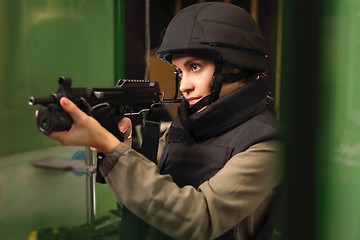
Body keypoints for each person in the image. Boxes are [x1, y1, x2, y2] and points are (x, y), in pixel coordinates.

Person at [42, 2, 282, 239]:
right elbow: (149, 204)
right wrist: (121, 148)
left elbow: (199, 220)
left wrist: (111, 149)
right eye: (179, 72)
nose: (184, 86)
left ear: (234, 66)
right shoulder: (185, 126)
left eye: (195, 67)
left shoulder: (266, 145)